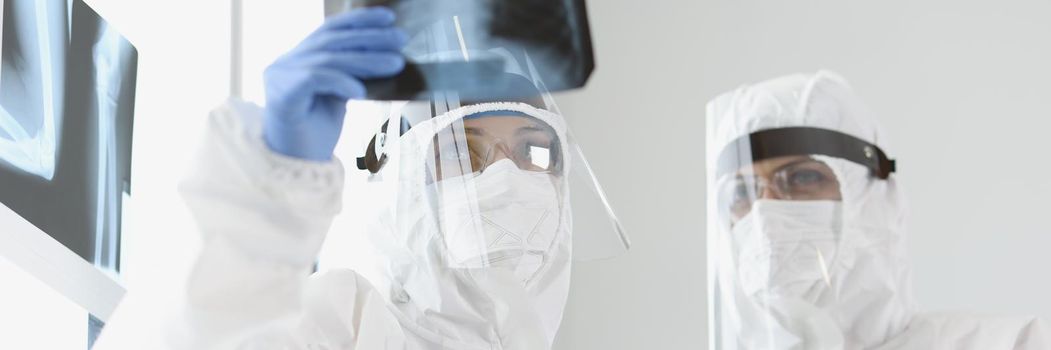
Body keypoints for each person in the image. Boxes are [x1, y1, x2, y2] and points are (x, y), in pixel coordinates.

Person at [93, 7, 628, 350]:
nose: (508, 177)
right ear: (400, 183)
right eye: (464, 153)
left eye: (534, 152)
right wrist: (266, 184)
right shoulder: (342, 327)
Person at [705, 70, 1051, 349]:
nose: (764, 212)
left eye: (802, 177)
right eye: (741, 193)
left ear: (874, 196)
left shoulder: (1010, 344)